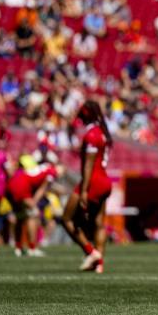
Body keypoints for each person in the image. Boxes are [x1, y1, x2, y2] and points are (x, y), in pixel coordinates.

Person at [61, 101, 113, 273]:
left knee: (67, 219)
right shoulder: (103, 132)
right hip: (105, 181)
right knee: (99, 223)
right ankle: (99, 265)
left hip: (93, 182)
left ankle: (91, 253)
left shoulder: (91, 135)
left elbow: (88, 166)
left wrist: (84, 191)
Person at [6, 155, 57, 257]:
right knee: (33, 214)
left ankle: (18, 247)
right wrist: (34, 202)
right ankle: (32, 248)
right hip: (21, 186)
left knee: (20, 217)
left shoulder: (41, 168)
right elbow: (42, 189)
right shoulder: (52, 171)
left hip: (12, 183)